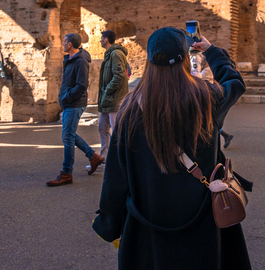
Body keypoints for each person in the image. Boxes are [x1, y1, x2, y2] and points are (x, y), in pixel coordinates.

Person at [93, 27, 251, 269]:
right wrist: (211, 51)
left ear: (148, 61)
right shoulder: (206, 97)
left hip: (149, 226)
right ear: (186, 59)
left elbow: (116, 177)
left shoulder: (130, 109)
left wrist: (109, 222)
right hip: (204, 223)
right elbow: (234, 82)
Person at [46, 33, 104, 186]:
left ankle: (67, 173)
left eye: (64, 41)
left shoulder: (81, 61)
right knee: (69, 134)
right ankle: (93, 157)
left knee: (67, 136)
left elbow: (81, 85)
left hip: (75, 103)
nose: (63, 43)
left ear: (70, 44)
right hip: (70, 102)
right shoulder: (71, 59)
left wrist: (66, 97)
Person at [97, 30, 129, 163]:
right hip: (108, 99)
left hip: (114, 99)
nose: (99, 40)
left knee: (116, 130)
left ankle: (119, 159)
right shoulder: (110, 54)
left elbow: (120, 75)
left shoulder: (116, 53)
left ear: (106, 40)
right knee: (102, 127)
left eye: (101, 38)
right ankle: (104, 157)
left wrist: (107, 90)